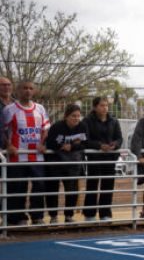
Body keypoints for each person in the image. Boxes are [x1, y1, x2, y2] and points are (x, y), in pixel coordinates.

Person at [3, 81, 50, 226]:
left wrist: (43, 143)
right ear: (18, 90)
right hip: (17, 156)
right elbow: (2, 131)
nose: (28, 91)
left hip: (37, 156)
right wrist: (8, 145)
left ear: (34, 91)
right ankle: (16, 218)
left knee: (39, 186)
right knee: (17, 187)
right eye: (24, 88)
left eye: (30, 88)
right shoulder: (9, 109)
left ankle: (37, 216)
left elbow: (46, 128)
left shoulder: (40, 108)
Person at [44, 104, 88, 223]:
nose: (76, 119)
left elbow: (85, 143)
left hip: (73, 163)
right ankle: (53, 216)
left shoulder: (83, 126)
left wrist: (72, 146)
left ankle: (69, 215)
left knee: (72, 190)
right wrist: (62, 146)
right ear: (66, 116)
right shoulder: (57, 127)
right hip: (55, 162)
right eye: (73, 116)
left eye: (78, 116)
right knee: (52, 190)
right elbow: (50, 144)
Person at [83, 96, 123, 221]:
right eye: (101, 105)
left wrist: (114, 145)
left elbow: (119, 139)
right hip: (94, 157)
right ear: (95, 107)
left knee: (108, 185)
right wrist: (100, 146)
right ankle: (89, 214)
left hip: (110, 157)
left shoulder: (114, 121)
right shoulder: (87, 121)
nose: (104, 108)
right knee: (92, 185)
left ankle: (105, 213)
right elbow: (85, 140)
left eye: (106, 105)